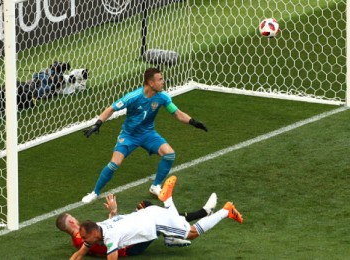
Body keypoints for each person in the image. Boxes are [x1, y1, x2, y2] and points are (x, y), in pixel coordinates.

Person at [82, 67, 208, 203]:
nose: (163, 82)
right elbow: (111, 108)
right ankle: (95, 192)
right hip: (129, 135)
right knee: (115, 163)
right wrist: (98, 123)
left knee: (170, 154)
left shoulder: (163, 97)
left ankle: (155, 186)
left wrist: (193, 122)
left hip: (148, 134)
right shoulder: (133, 97)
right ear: (151, 83)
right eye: (160, 79)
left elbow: (177, 113)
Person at [70, 176, 243, 259]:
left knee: (191, 233)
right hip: (148, 216)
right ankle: (167, 200)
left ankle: (225, 211)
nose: (83, 240)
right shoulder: (98, 229)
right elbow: (79, 254)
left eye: (85, 237)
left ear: (93, 234)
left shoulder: (110, 237)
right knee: (180, 224)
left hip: (155, 222)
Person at [56, 192, 217, 256]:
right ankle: (203, 213)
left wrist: (113, 212)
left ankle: (170, 235)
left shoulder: (88, 233)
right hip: (130, 246)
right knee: (155, 216)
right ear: (71, 221)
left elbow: (108, 227)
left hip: (124, 236)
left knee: (146, 207)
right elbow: (107, 243)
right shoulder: (83, 237)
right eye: (73, 217)